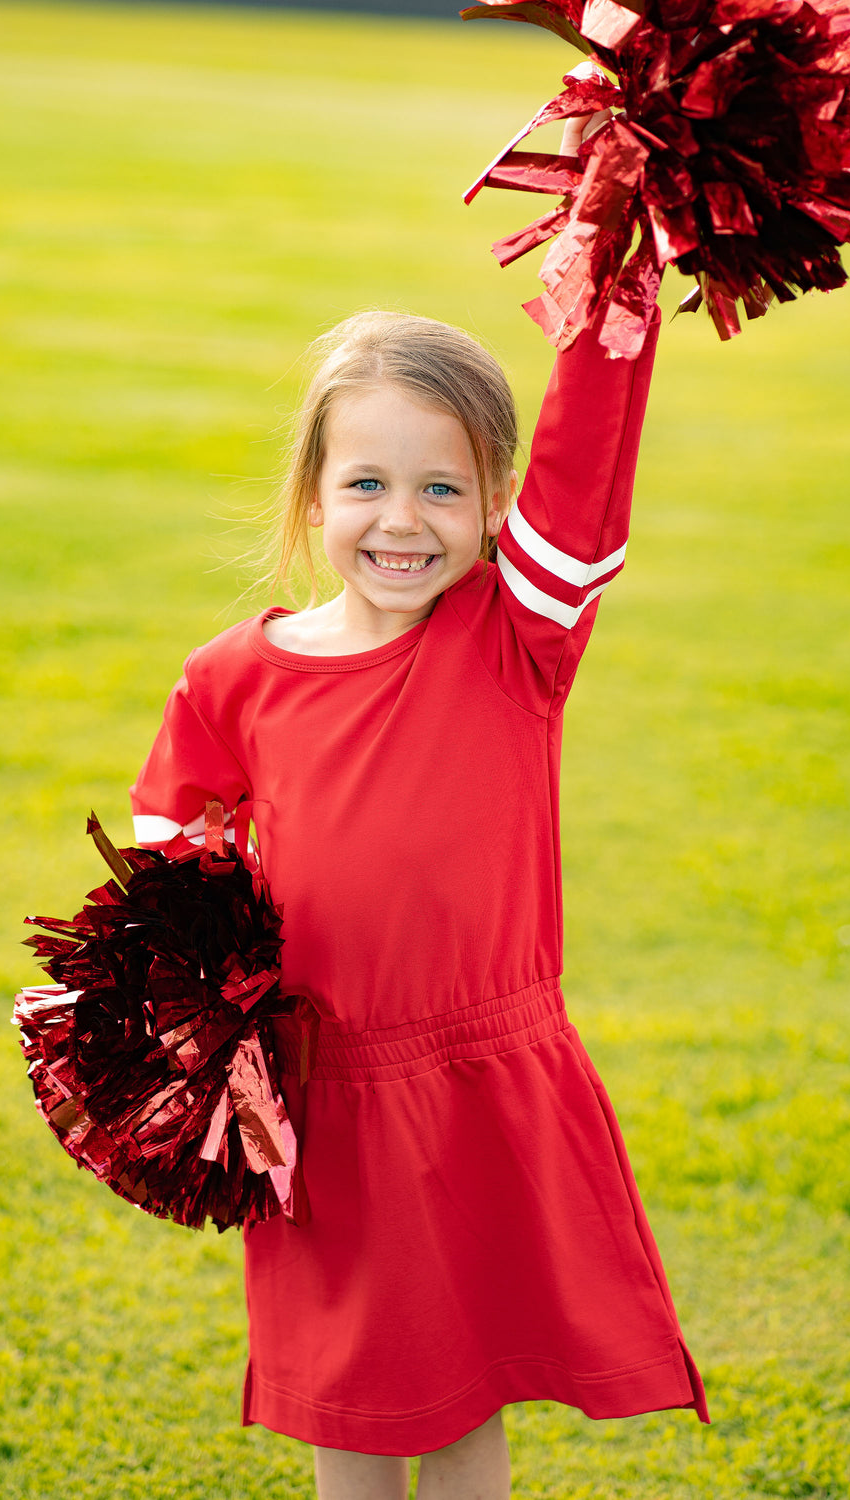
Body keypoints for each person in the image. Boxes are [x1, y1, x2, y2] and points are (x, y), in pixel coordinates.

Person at [128, 113, 708, 1500]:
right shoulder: (235, 675)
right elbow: (169, 849)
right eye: (368, 484)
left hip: (481, 1084)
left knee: (461, 1402)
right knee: (353, 1395)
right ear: (313, 494)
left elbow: (585, 470)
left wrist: (611, 263)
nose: (403, 520)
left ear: (496, 500)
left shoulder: (514, 640)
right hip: (326, 1101)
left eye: (445, 488)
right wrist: (202, 1031)